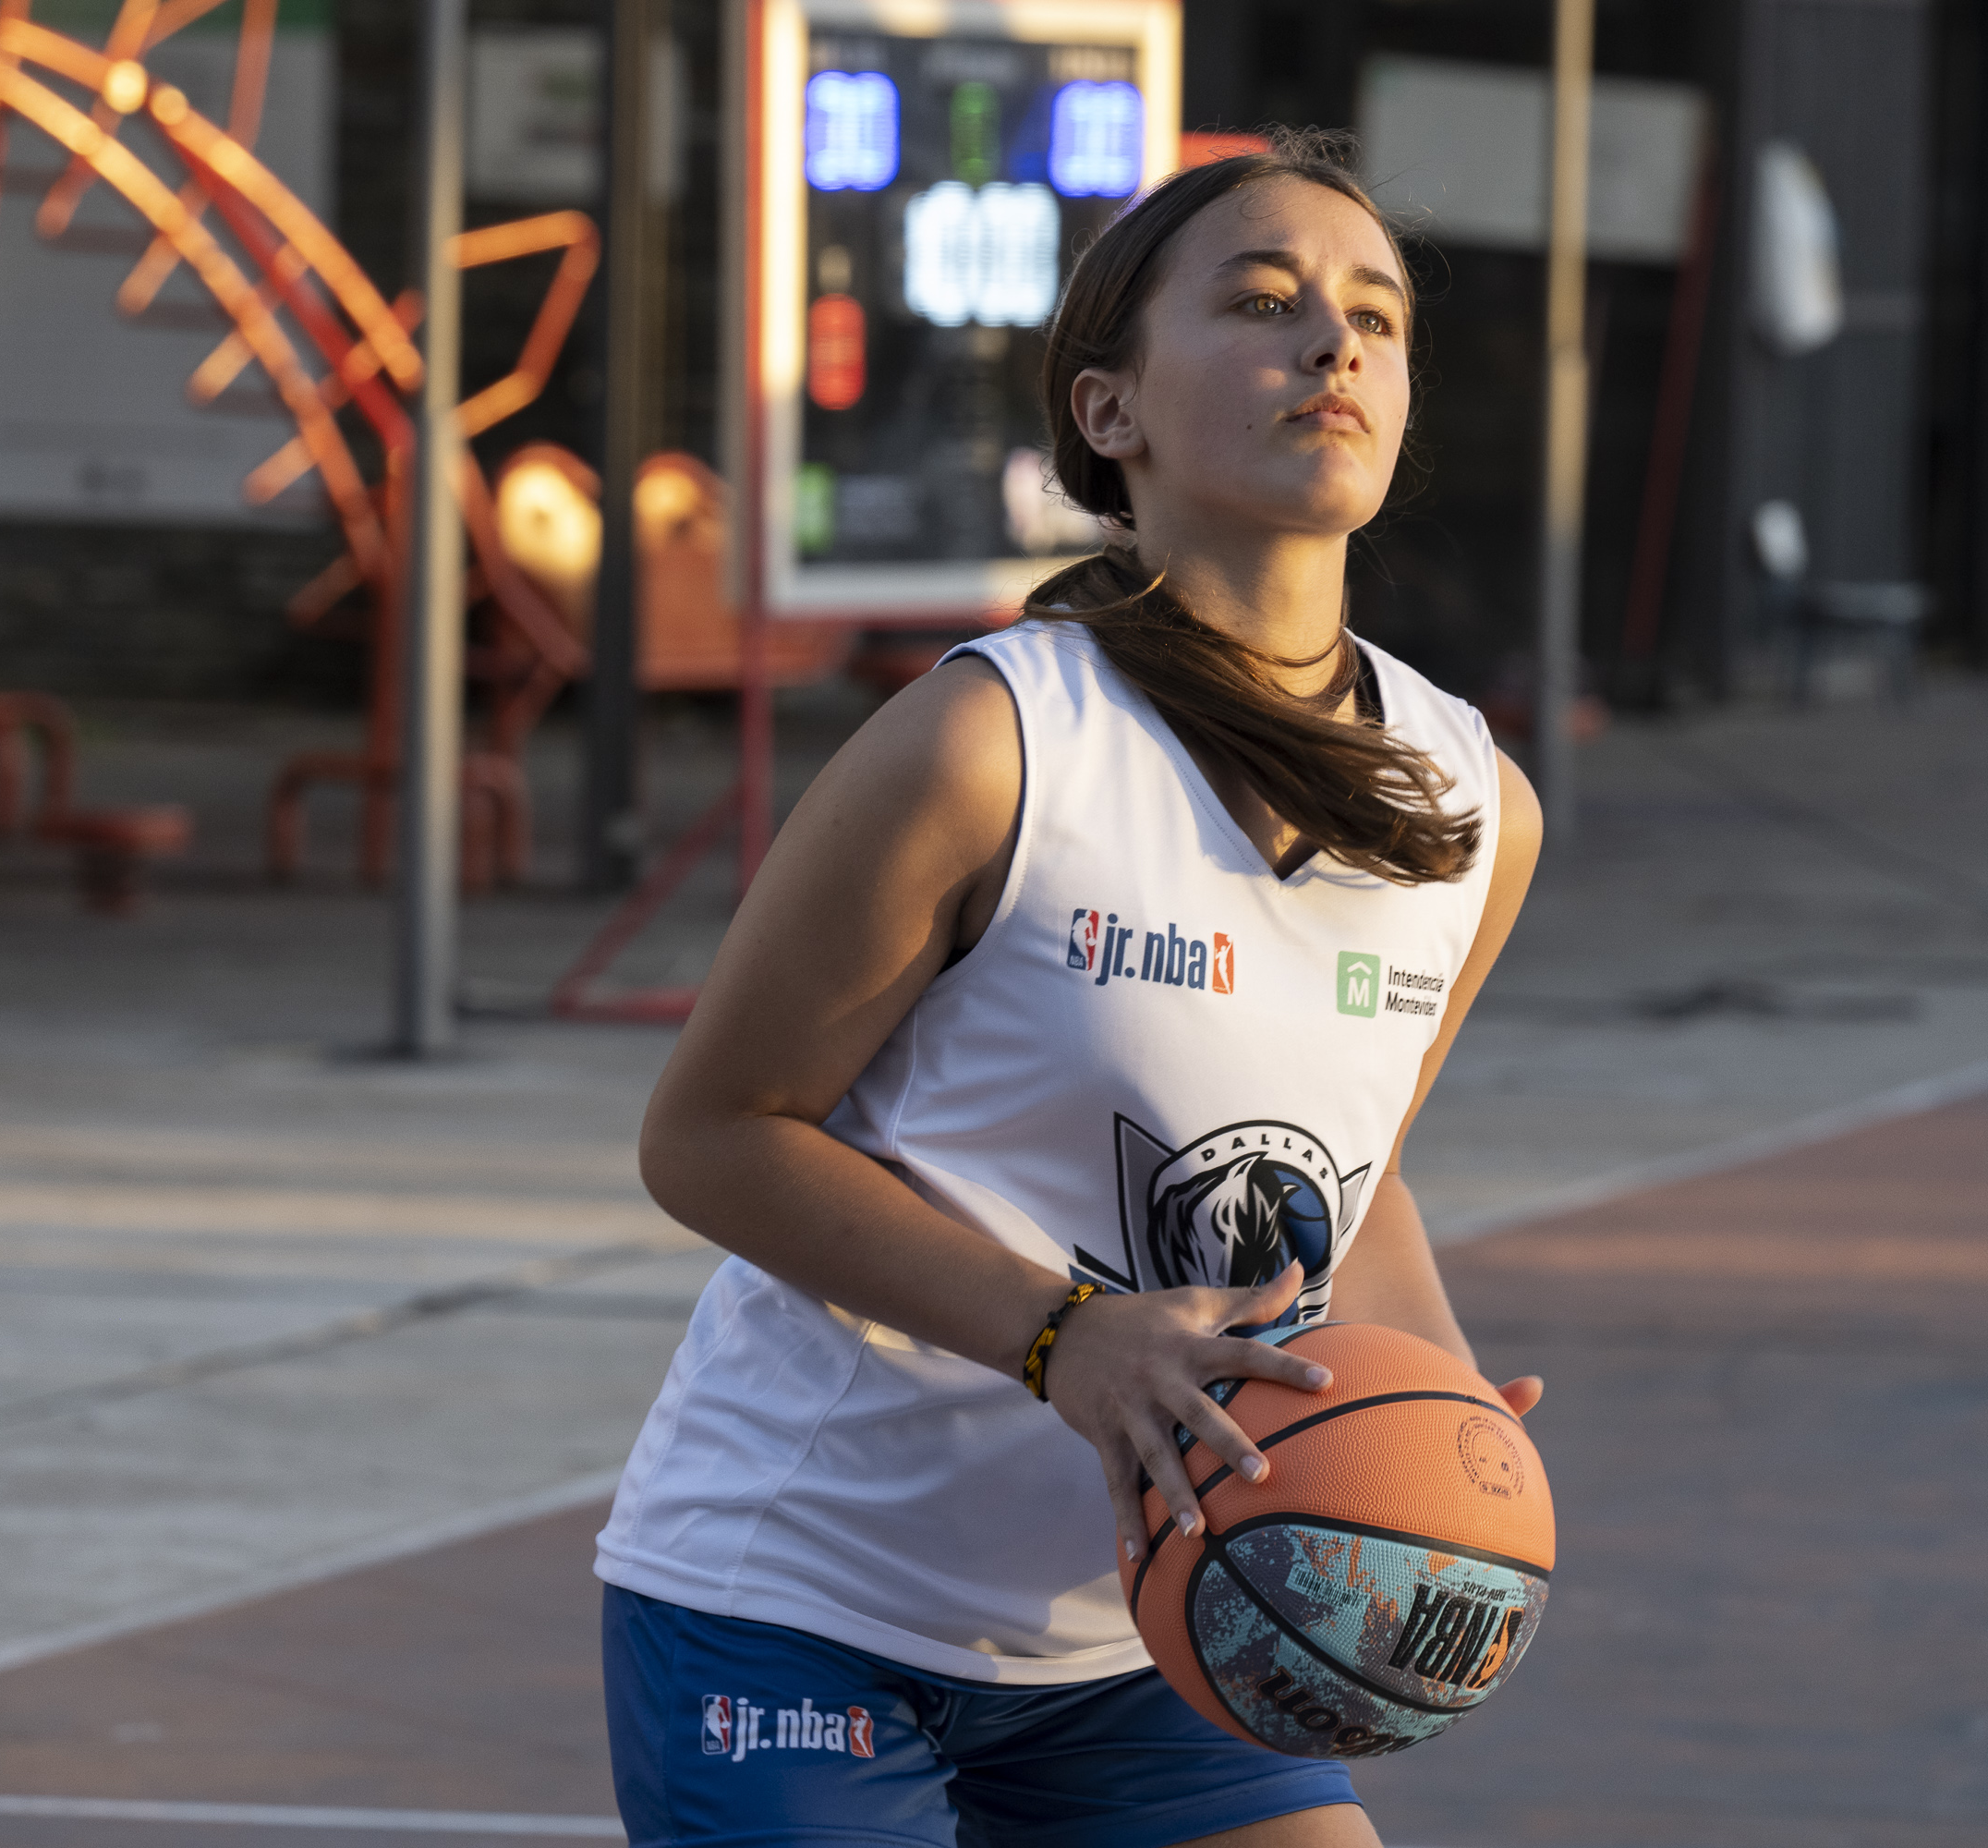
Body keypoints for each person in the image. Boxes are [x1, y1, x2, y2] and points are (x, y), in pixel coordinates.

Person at [596, 130, 1544, 1848]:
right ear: (1109, 413)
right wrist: (1065, 1341)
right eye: (1263, 303)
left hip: (1165, 1620)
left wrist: (1446, 1413)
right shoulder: (993, 741)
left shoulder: (1471, 802)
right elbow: (715, 1137)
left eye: (1375, 317)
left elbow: (1359, 1168)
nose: (1333, 344)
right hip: (807, 1599)